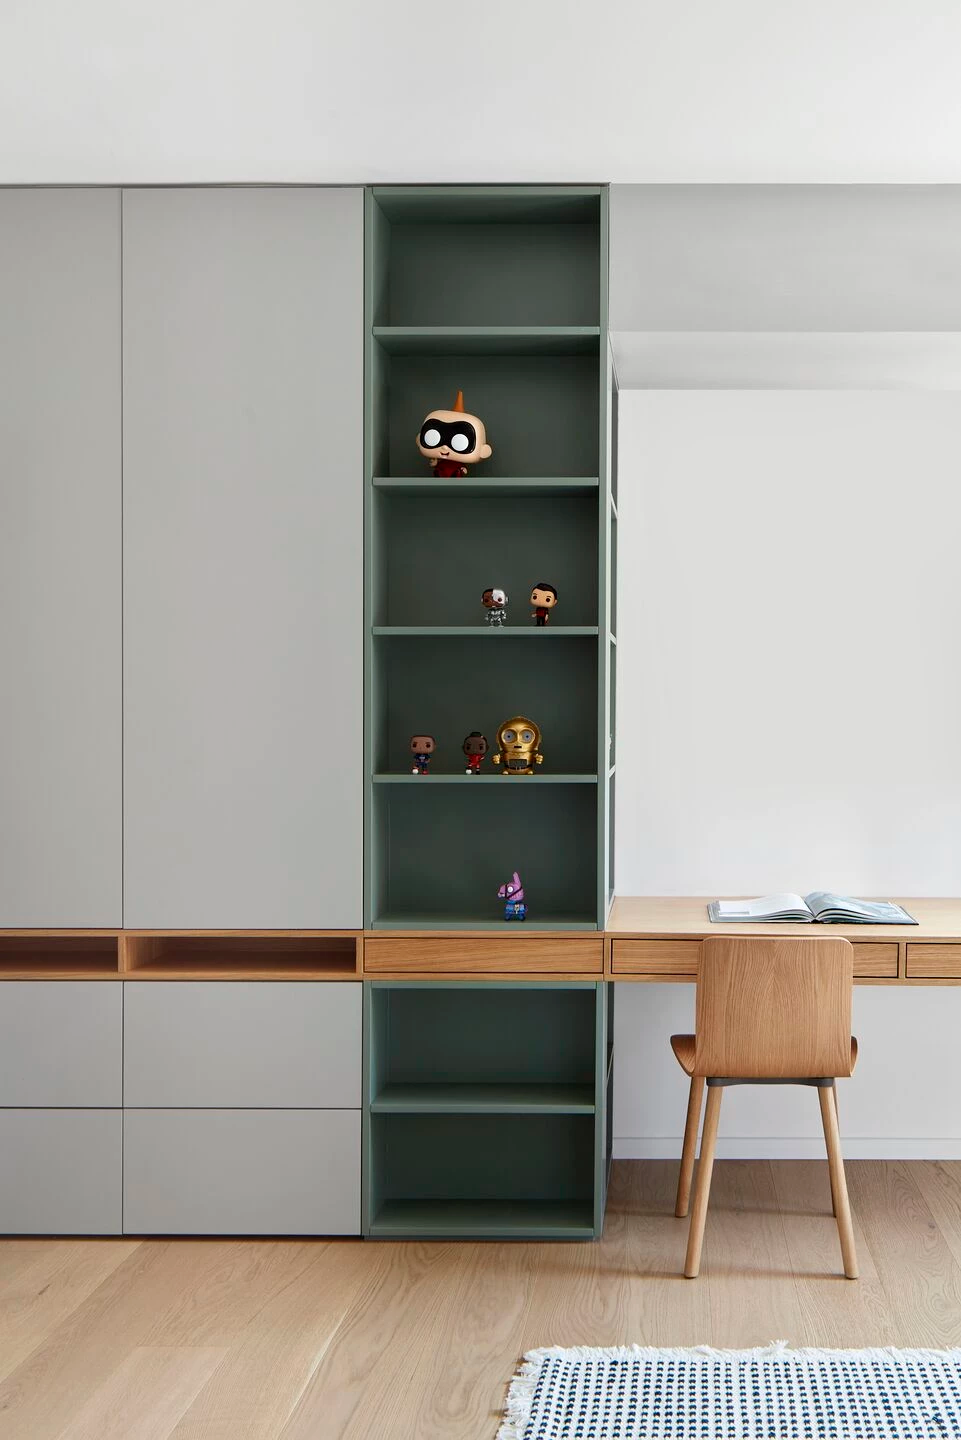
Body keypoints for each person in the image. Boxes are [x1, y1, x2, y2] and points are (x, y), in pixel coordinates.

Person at [416, 390, 492, 478]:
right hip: (441, 470)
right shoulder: (440, 459)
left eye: (460, 441)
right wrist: (435, 462)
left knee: (456, 474)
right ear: (419, 439)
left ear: (483, 451)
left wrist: (463, 468)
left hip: (455, 471)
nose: (444, 447)